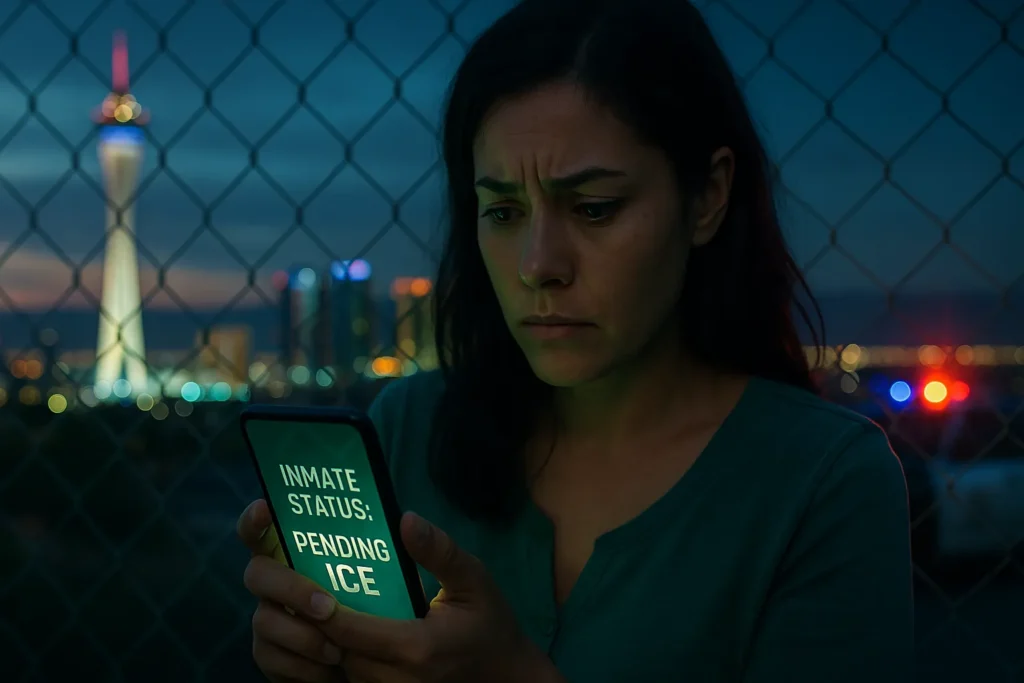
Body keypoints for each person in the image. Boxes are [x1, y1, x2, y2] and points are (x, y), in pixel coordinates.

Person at [236, 0, 915, 680]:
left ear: (706, 195)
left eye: (593, 208)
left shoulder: (823, 483)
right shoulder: (411, 430)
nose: (539, 265)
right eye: (502, 210)